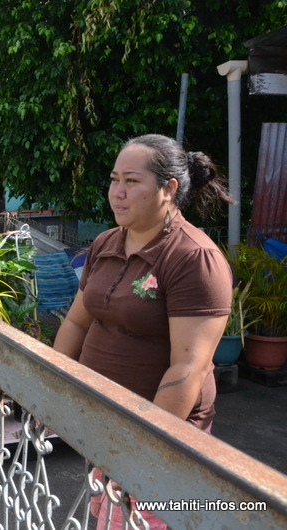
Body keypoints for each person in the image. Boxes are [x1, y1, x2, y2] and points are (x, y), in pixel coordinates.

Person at [53, 134, 234, 528]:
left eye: (132, 182)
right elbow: (77, 321)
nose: (117, 193)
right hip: (104, 423)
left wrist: (143, 446)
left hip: (159, 438)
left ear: (169, 189)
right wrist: (52, 390)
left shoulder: (193, 258)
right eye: (114, 180)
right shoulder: (105, 244)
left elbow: (188, 366)